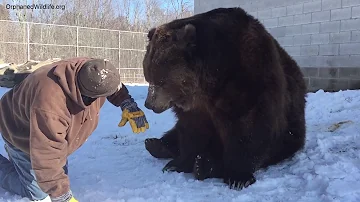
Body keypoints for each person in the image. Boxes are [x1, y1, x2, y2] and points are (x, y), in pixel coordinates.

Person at [0, 57, 149, 202]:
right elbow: (47, 152)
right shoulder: (50, 104)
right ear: (88, 95)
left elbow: (112, 85)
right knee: (40, 192)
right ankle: (16, 155)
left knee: (55, 175)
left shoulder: (93, 69)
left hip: (44, 126)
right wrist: (62, 197)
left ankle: (25, 165)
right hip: (19, 129)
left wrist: (127, 103)